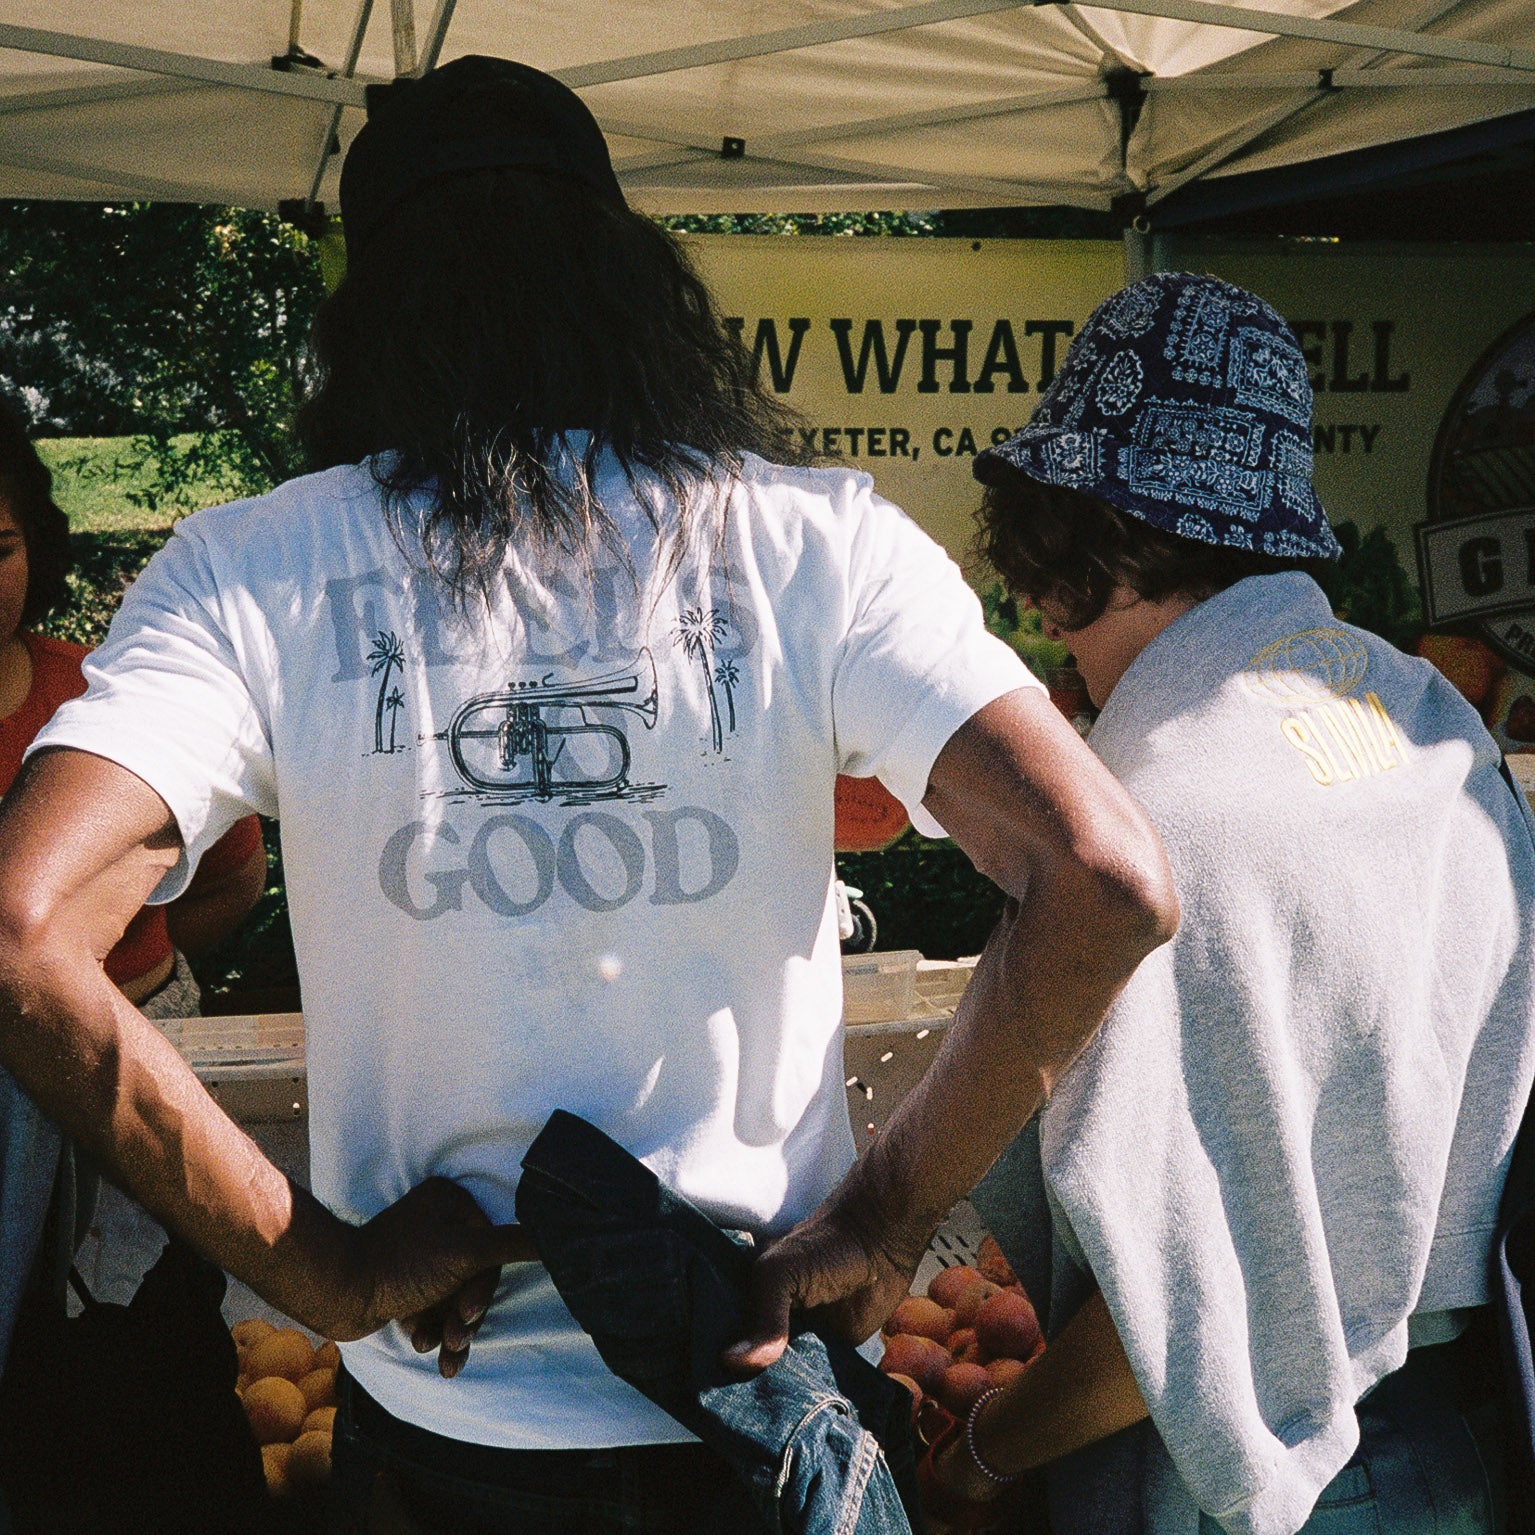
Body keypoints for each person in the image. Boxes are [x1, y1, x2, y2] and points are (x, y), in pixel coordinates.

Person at [0, 57, 1176, 1533]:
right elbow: (1105, 872)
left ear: (370, 308)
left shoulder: (257, 569)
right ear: (626, 277)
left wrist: (317, 1270)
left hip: (438, 1435)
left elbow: (23, 926)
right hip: (763, 1416)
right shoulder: (814, 546)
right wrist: (884, 1216)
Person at [919, 271, 1535, 1534]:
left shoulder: (1147, 828)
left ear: (1067, 537)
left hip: (1257, 1484)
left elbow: (1177, 1318)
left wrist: (981, 1452)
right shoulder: (1425, 717)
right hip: (1467, 1428)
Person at [0, 400, 267, 1372]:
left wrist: (128, 964)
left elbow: (230, 875)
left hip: (133, 1073)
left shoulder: (101, 698)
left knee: (152, 1344)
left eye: (0, 547)